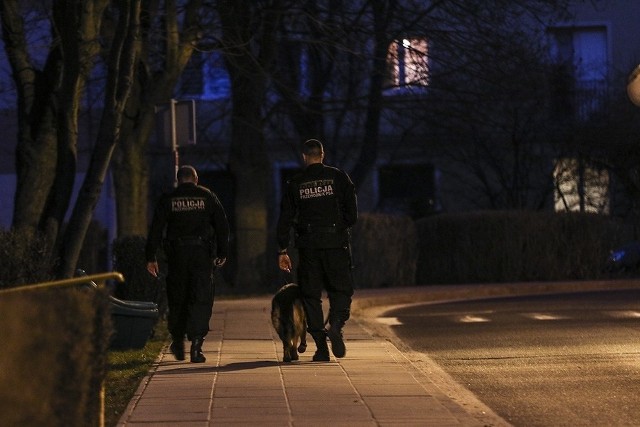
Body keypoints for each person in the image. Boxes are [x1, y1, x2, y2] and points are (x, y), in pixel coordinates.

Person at [276, 139, 358, 361]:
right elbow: (352, 214)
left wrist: (282, 250)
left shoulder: (295, 183)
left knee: (311, 296)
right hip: (335, 245)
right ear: (323, 154)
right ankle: (337, 325)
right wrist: (339, 227)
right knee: (341, 290)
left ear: (304, 156)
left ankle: (321, 347)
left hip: (308, 247)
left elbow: (285, 218)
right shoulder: (339, 177)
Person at [145, 165, 229, 363]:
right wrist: (222, 253)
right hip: (201, 255)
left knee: (178, 297)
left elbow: (156, 228)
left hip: (177, 256)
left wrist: (150, 257)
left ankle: (177, 339)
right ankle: (197, 346)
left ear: (178, 180)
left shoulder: (168, 199)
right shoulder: (208, 196)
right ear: (195, 179)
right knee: (201, 297)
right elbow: (222, 226)